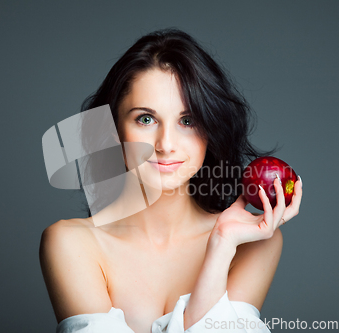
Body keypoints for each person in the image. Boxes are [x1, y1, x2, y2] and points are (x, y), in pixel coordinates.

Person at [39, 28, 303, 333]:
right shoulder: (71, 243)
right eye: (146, 119)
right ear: (114, 132)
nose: (165, 144)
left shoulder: (251, 243)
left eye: (187, 121)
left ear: (210, 131)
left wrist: (221, 246)